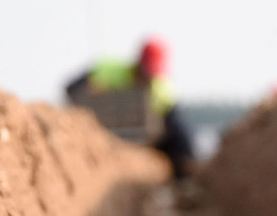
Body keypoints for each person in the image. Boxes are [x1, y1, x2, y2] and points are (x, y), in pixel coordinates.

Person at [65, 37, 195, 179]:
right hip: (101, 135)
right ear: (139, 63)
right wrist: (90, 89)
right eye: (146, 72)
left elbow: (173, 124)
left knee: (179, 139)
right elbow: (71, 88)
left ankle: (184, 180)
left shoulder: (161, 89)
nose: (147, 78)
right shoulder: (108, 71)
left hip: (146, 140)